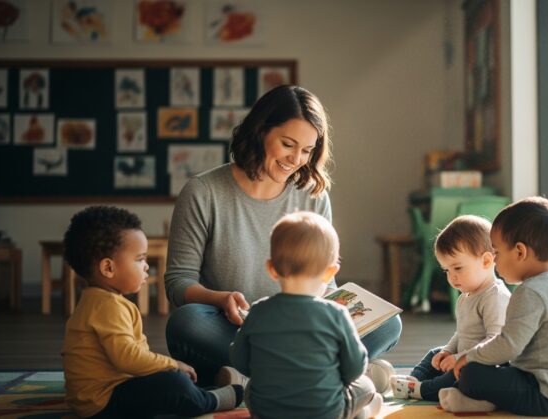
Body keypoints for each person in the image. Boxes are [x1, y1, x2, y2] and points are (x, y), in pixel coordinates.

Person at [164, 85, 401, 385]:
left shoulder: (313, 196)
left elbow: (324, 280)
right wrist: (221, 299)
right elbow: (178, 281)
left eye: (307, 150)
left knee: (388, 324)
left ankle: (259, 376)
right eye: (288, 144)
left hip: (302, 328)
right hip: (237, 329)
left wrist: (336, 306)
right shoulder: (203, 192)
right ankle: (321, 374)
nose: (296, 159)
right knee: (186, 324)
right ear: (261, 132)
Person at [61, 206, 243, 418]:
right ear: (108, 268)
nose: (147, 267)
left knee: (168, 381)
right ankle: (212, 400)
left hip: (98, 398)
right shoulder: (108, 306)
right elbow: (127, 359)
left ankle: (199, 391)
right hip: (102, 404)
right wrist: (171, 365)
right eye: (140, 259)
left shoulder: (94, 300)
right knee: (172, 384)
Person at [438, 197, 548, 417]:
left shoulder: (530, 292)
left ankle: (482, 403)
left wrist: (469, 357)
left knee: (471, 374)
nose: (495, 261)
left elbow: (508, 346)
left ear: (519, 252)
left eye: (497, 253)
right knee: (487, 368)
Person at [230, 211, 383, 419]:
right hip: (323, 412)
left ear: (272, 269)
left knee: (253, 388)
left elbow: (240, 362)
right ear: (331, 272)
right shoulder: (336, 313)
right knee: (365, 385)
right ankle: (364, 412)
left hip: (267, 411)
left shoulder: (257, 311)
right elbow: (354, 368)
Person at [390, 215, 511, 401]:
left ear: (486, 261)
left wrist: (460, 358)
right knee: (435, 353)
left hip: (485, 364)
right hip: (464, 355)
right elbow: (461, 334)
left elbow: (495, 342)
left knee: (460, 374)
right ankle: (414, 379)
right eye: (447, 270)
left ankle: (423, 390)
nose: (452, 278)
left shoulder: (495, 297)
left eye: (458, 268)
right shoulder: (465, 297)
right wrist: (447, 351)